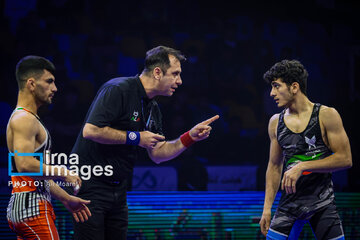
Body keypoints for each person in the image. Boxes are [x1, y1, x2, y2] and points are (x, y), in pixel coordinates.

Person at [71, 46, 219, 240]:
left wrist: (189, 137)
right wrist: (137, 137)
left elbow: (157, 154)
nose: (180, 81)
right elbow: (91, 130)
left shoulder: (152, 106)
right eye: (175, 74)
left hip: (119, 189)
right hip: (90, 186)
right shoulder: (118, 89)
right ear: (157, 72)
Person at [259, 59, 352, 239]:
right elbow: (274, 166)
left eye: (277, 86)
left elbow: (345, 158)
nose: (271, 93)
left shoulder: (326, 115)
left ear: (294, 87)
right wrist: (266, 209)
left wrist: (303, 166)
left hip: (322, 202)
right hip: (290, 204)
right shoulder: (275, 122)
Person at [6, 56, 92, 239]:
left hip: (27, 207)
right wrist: (63, 172)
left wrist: (66, 199)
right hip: (33, 210)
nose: (55, 88)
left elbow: (36, 175)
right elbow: (23, 164)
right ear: (31, 83)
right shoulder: (24, 119)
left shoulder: (25, 118)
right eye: (49, 81)